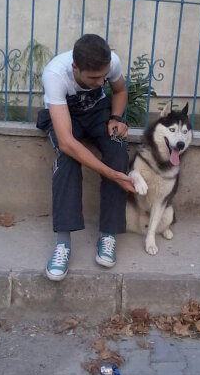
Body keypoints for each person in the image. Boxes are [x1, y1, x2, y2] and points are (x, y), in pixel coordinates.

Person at [37, 34, 135, 281]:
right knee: (68, 157)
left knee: (117, 145)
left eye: (104, 76)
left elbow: (120, 90)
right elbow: (68, 143)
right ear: (75, 68)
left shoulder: (110, 61)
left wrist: (115, 118)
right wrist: (112, 174)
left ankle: (108, 234)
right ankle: (63, 243)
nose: (101, 81)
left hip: (97, 112)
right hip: (63, 113)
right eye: (93, 78)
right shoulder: (55, 75)